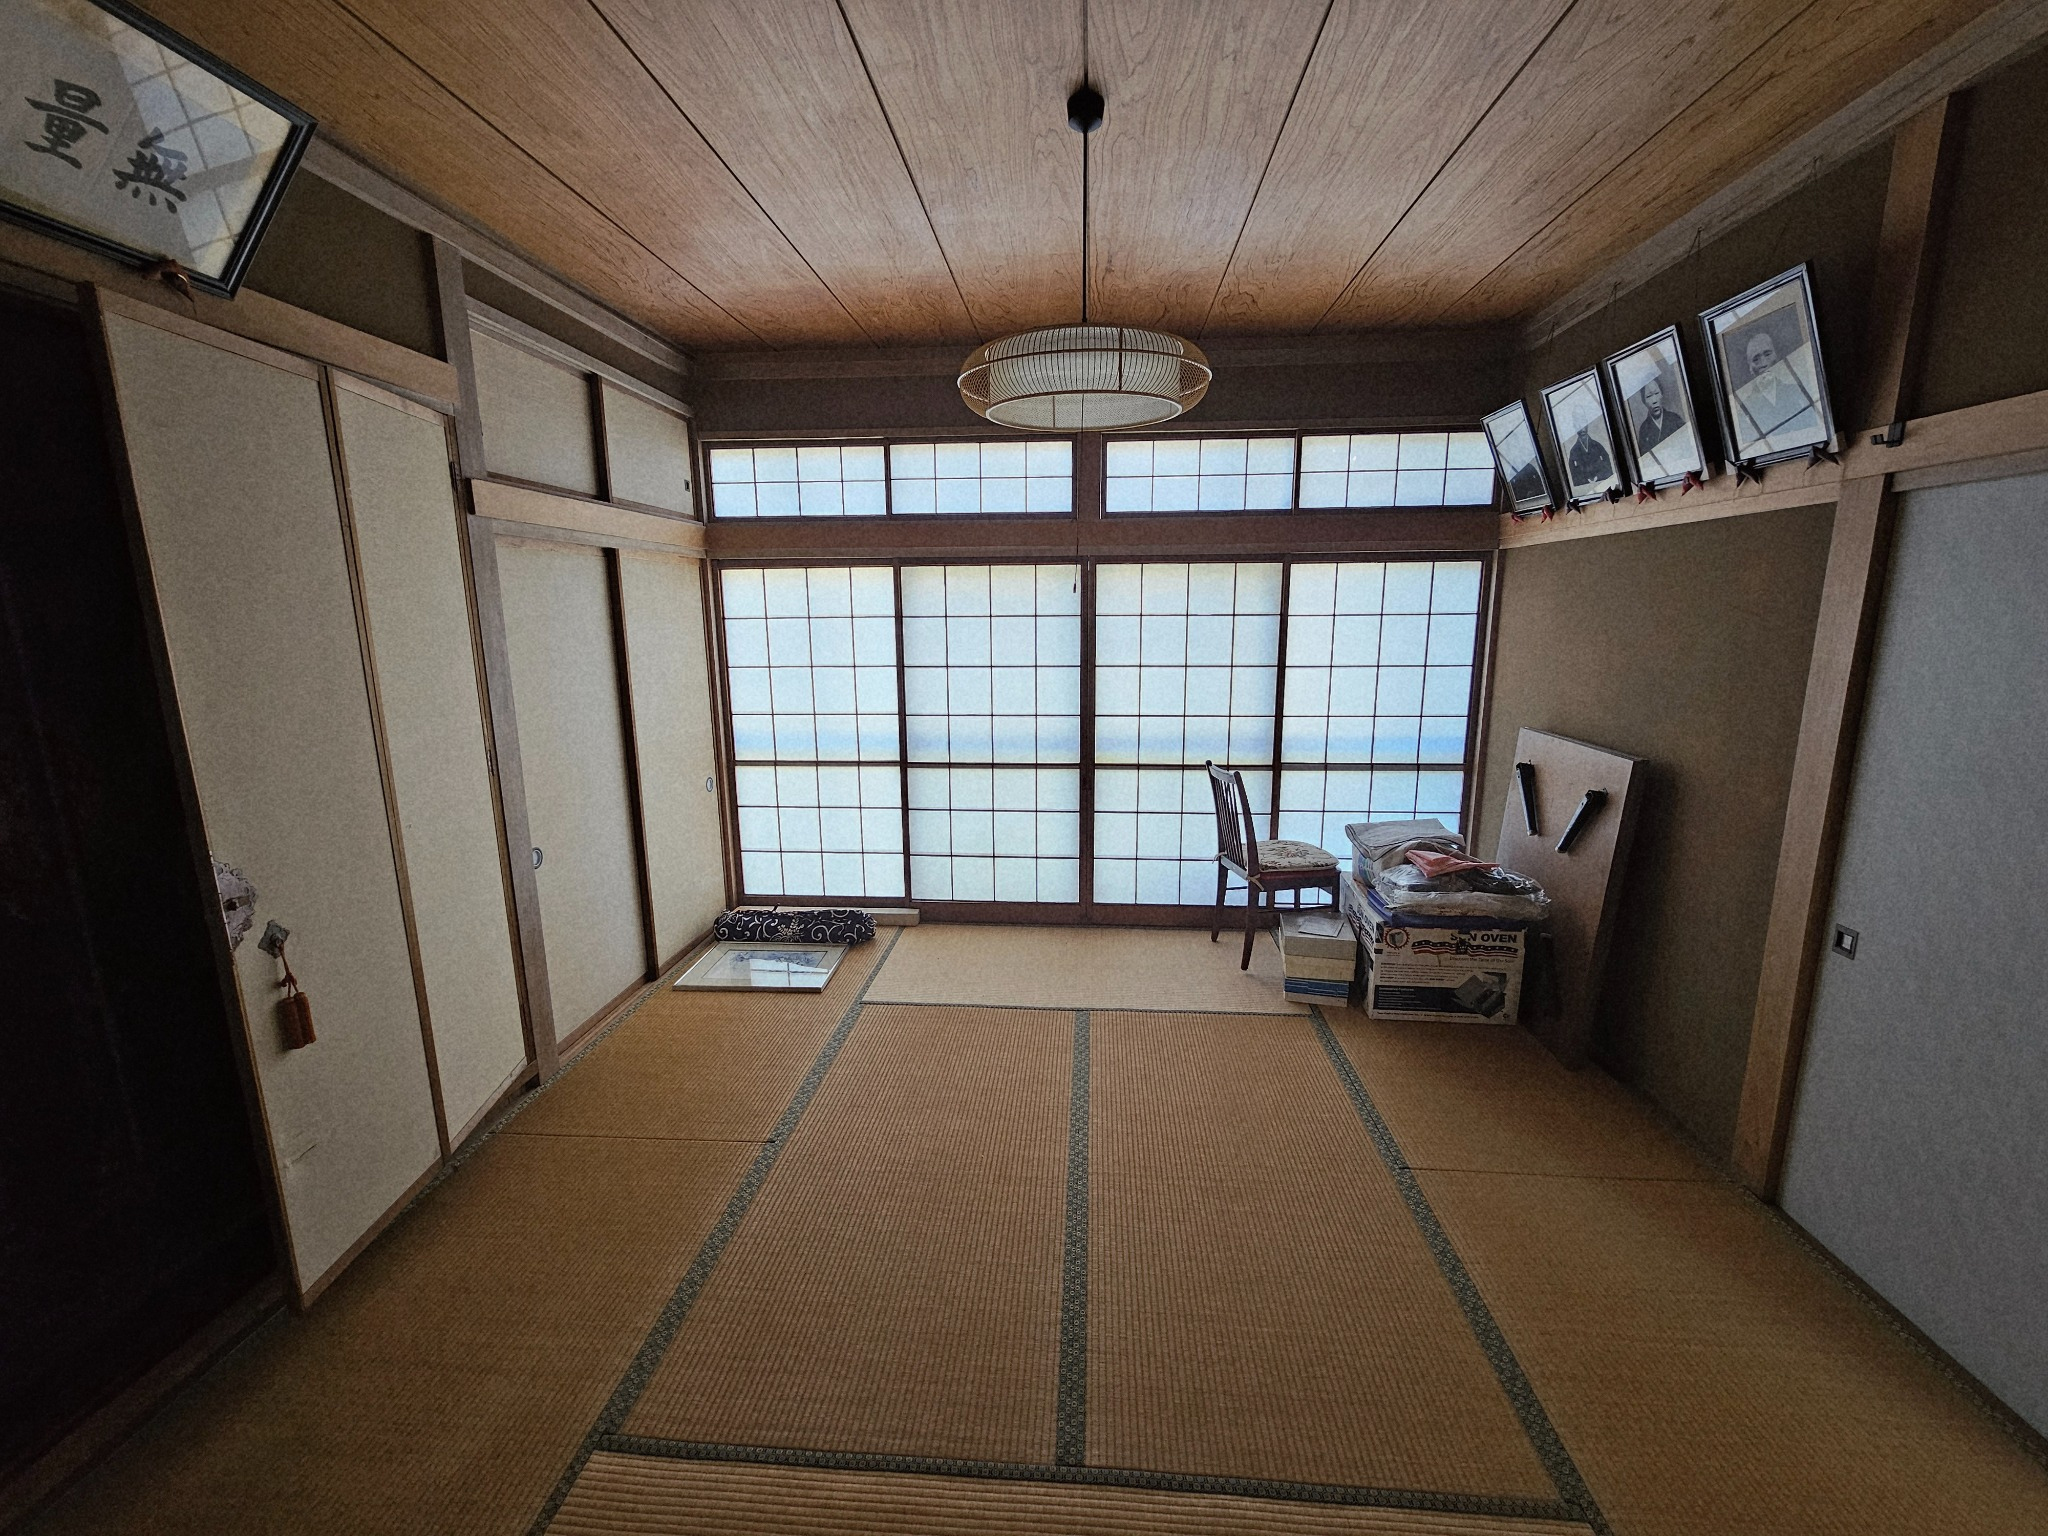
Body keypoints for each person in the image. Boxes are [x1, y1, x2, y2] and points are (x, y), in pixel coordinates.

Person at [1729, 326, 1823, 457]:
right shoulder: (1744, 408)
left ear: (1777, 356)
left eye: (1767, 354)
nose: (1764, 363)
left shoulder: (1797, 391)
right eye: (1756, 359)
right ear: (1750, 367)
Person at [1634, 374, 1691, 480]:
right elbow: (1647, 465)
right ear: (1643, 401)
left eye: (1656, 393)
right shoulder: (1644, 429)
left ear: (1661, 394)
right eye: (1649, 396)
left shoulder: (1675, 419)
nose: (1654, 400)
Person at [1567, 419, 1613, 491]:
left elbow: (1608, 468)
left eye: (1583, 424)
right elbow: (1574, 476)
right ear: (1574, 427)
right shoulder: (1573, 451)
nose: (1582, 429)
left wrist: (1598, 477)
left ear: (1587, 425)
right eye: (1578, 425)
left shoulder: (1597, 445)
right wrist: (1586, 481)